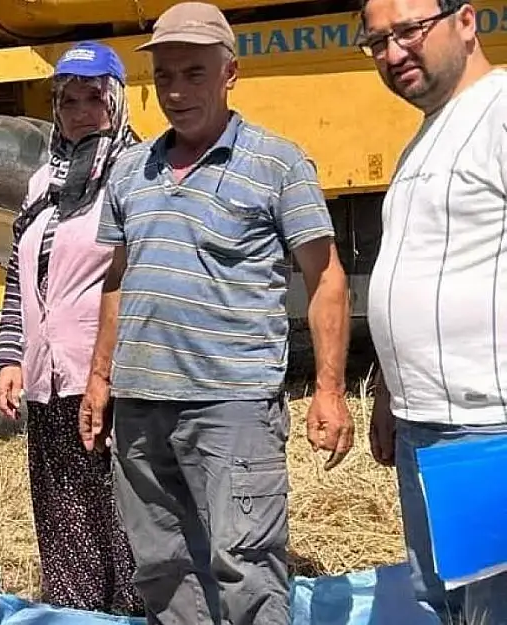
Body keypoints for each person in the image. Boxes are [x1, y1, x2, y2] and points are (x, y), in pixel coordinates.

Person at [78, 3, 355, 624]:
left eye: (195, 74)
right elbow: (117, 281)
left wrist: (331, 389)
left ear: (232, 73)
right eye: (166, 76)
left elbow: (326, 275)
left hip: (232, 405)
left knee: (245, 566)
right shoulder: (131, 169)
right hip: (142, 405)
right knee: (163, 567)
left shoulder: (277, 163)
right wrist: (100, 379)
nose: (177, 91)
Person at [359, 0, 507, 622]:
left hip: (487, 432)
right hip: (429, 427)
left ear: (467, 21)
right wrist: (392, 395)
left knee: (491, 609)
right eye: (376, 42)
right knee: (448, 603)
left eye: (409, 32)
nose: (393, 54)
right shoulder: (426, 135)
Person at [0, 40, 144, 616]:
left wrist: (114, 372)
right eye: (70, 99)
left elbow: (140, 275)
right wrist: (10, 359)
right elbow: (19, 279)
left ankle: (132, 615)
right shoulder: (42, 185)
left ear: (118, 101)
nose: (82, 111)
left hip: (113, 376)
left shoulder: (134, 175)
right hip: (49, 380)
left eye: (94, 98)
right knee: (63, 515)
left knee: (123, 515)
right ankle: (76, 615)